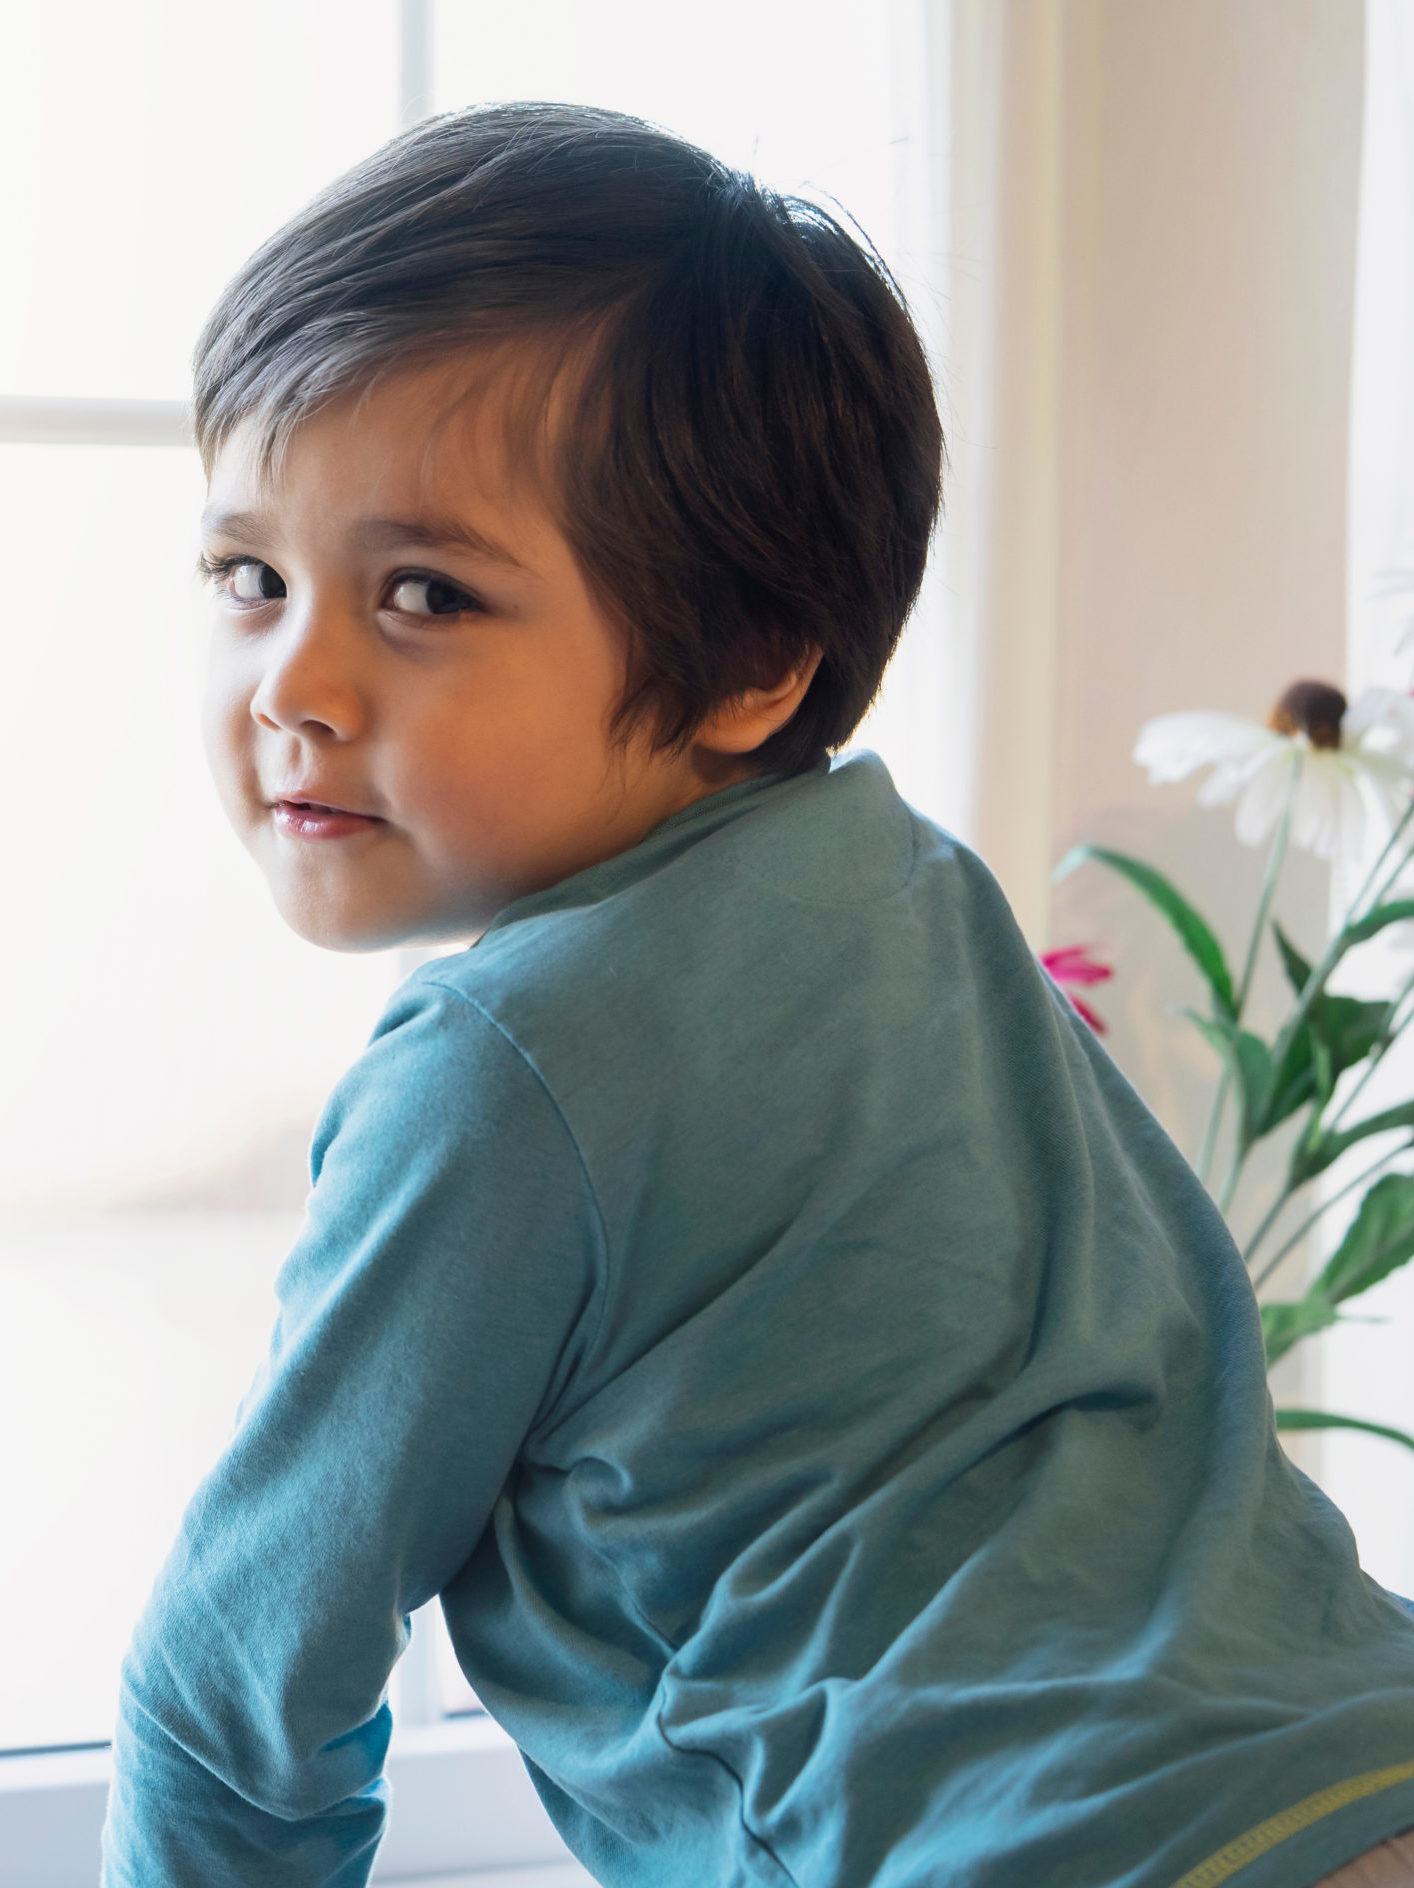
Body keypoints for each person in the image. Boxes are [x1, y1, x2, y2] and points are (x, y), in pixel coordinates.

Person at [100, 102, 1414, 1888]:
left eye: (423, 594)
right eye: (250, 578)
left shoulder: (500, 1065)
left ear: (748, 666)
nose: (296, 682)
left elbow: (236, 1694)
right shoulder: (912, 895)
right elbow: (1181, 1353)